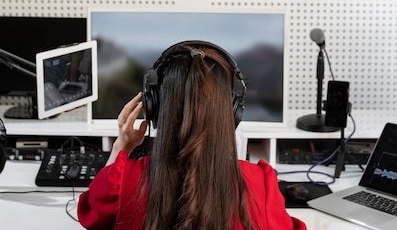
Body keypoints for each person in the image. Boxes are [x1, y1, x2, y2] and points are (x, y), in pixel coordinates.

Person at [77, 41, 307, 230]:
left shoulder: (124, 181)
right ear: (232, 111)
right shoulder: (259, 184)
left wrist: (122, 146)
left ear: (156, 106)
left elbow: (90, 215)